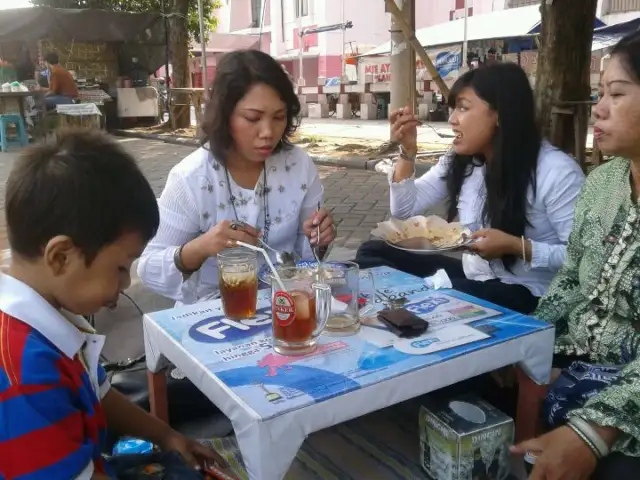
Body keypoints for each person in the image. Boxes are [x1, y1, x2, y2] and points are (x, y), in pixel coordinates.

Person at [0, 131, 227, 478]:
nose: (124, 284)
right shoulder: (24, 374)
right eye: (121, 268)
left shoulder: (55, 315)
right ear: (61, 256)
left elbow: (99, 392)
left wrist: (167, 435)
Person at [511, 31, 640, 479]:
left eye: (617, 94)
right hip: (583, 358)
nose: (599, 109)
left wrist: (593, 431)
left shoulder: (554, 169)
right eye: (599, 93)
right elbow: (571, 279)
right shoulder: (604, 183)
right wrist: (531, 343)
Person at [355, 62, 585, 314]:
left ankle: (410, 303)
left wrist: (517, 247)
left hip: (529, 291)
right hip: (476, 277)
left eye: (463, 109)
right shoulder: (461, 160)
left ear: (500, 114)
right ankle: (404, 301)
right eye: (453, 109)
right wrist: (408, 152)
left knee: (449, 293)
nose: (452, 119)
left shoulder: (556, 171)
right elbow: (404, 210)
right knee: (374, 252)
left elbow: (580, 258)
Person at [137, 49, 336, 305]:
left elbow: (307, 257)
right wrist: (200, 247)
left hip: (285, 304)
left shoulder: (298, 165)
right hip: (214, 312)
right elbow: (149, 268)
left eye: (279, 117)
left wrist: (318, 238)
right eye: (252, 118)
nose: (267, 132)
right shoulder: (192, 178)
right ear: (225, 114)